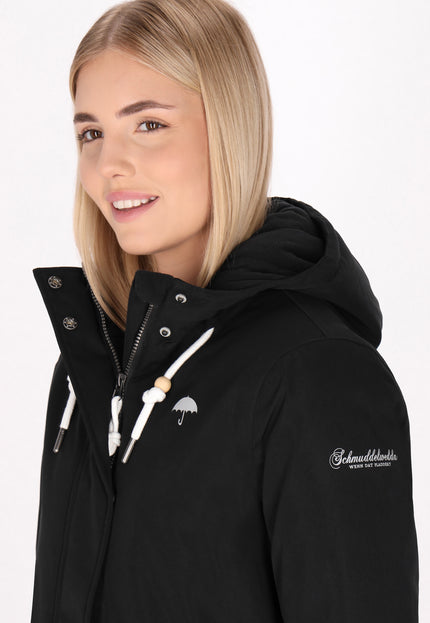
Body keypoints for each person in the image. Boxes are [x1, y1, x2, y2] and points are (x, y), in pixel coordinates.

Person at [31, 0, 419, 621]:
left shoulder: (317, 371)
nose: (110, 166)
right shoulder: (90, 361)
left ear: (229, 129)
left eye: (149, 124)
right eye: (91, 133)